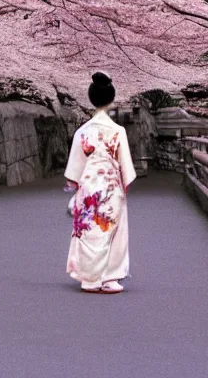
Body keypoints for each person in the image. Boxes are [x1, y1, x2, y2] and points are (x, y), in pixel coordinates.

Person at [63, 72, 136, 294]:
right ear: (111, 99)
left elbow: (73, 172)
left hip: (88, 187)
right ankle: (110, 277)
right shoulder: (118, 131)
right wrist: (123, 188)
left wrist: (76, 189)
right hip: (111, 187)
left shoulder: (82, 132)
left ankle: (89, 278)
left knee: (88, 231)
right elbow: (127, 168)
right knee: (113, 231)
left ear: (91, 98)